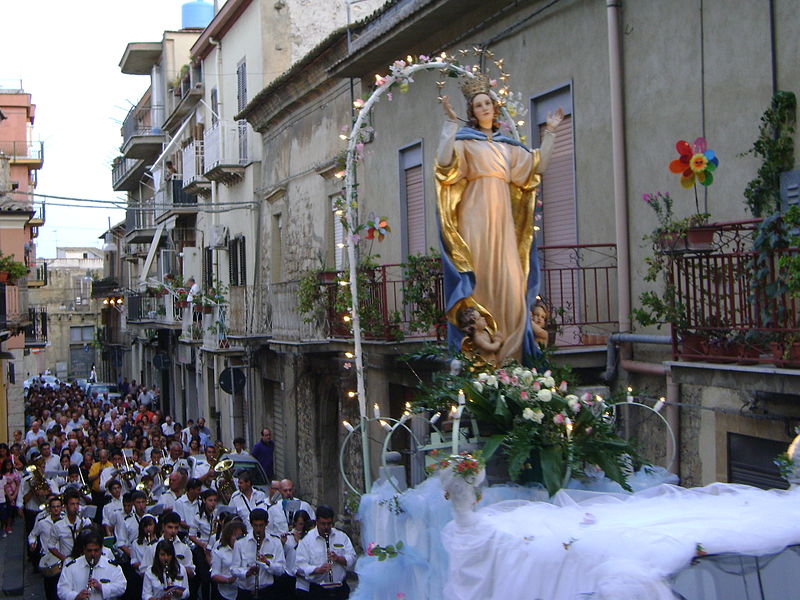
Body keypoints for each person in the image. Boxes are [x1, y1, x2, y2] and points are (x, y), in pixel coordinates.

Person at [436, 77, 562, 365]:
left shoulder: (509, 147)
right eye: (478, 105)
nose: (484, 108)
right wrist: (450, 124)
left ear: (495, 107)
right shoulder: (466, 143)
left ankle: (512, 355)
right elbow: (444, 165)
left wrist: (551, 132)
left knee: (512, 280)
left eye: (487, 103)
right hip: (474, 217)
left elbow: (536, 167)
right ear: (472, 110)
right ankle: (481, 353)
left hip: (503, 222)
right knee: (479, 276)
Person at [295, 505, 355, 599]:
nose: (326, 527)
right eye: (323, 524)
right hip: (318, 591)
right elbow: (300, 566)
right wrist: (317, 570)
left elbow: (352, 558)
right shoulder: (307, 540)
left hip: (339, 589)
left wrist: (339, 559)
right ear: (317, 522)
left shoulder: (341, 537)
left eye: (329, 523)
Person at [44, 489, 92, 600]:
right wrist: (64, 558)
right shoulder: (58, 526)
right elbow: (51, 545)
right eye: (72, 504)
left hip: (84, 560)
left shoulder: (84, 522)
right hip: (68, 563)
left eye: (77, 504)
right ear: (65, 506)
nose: (75, 507)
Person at [231, 508, 285, 599]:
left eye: (261, 525)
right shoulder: (240, 543)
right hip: (246, 592)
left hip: (266, 592)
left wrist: (268, 563)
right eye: (255, 526)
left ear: (266, 524)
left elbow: (281, 569)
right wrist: (247, 573)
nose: (258, 529)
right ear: (251, 524)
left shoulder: (275, 542)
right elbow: (233, 569)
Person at [57, 531, 127, 600]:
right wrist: (76, 596)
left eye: (96, 550)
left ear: (101, 549)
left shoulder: (112, 566)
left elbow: (122, 587)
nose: (93, 554)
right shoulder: (72, 567)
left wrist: (101, 587)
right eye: (89, 551)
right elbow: (61, 590)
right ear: (84, 550)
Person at [188, 489, 218, 600]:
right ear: (204, 501)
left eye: (215, 500)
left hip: (215, 548)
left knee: (215, 577)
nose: (213, 503)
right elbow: (191, 535)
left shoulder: (217, 514)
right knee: (205, 578)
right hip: (202, 549)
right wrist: (203, 545)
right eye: (210, 500)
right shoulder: (198, 517)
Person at [210, 520, 246, 600]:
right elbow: (214, 575)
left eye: (240, 536)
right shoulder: (220, 552)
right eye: (234, 535)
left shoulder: (247, 551)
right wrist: (228, 580)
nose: (237, 539)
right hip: (226, 594)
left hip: (244, 592)